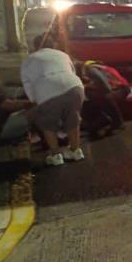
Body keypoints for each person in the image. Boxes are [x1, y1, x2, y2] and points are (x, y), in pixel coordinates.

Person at [21, 34, 85, 166]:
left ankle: (55, 155)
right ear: (53, 45)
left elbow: (27, 83)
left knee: (47, 123)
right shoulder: (62, 55)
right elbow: (71, 71)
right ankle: (75, 151)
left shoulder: (29, 60)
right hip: (74, 87)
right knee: (73, 117)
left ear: (35, 47)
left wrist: (35, 99)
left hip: (47, 91)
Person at [77, 60, 129, 138]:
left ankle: (115, 123)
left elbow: (102, 80)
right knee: (97, 96)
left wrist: (107, 93)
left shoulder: (90, 69)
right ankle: (112, 122)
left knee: (102, 98)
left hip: (119, 89)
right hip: (121, 88)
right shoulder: (95, 66)